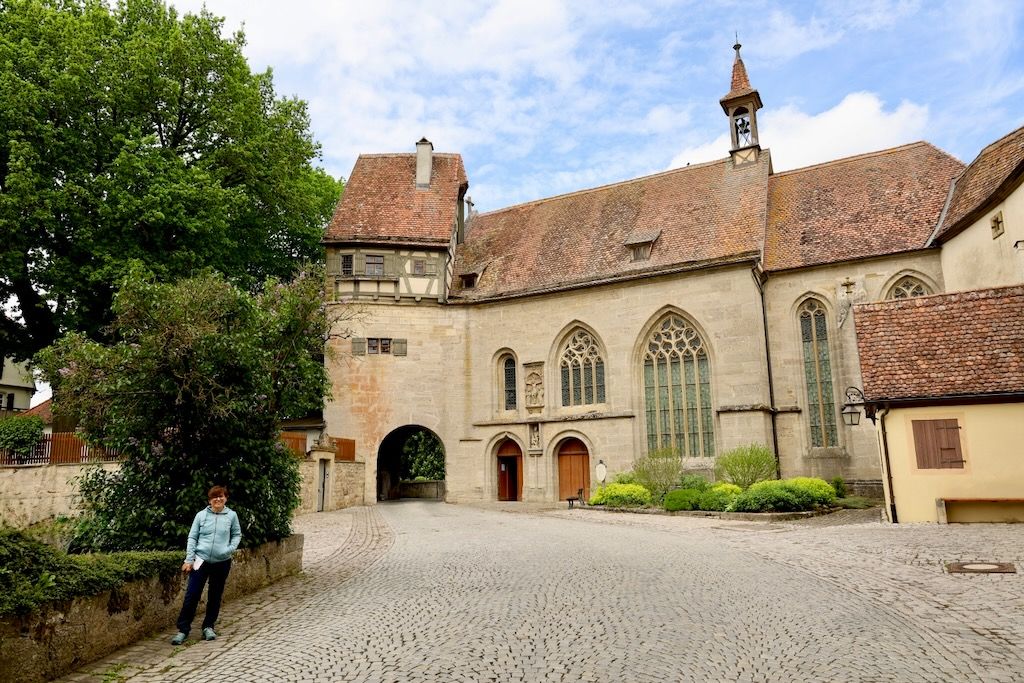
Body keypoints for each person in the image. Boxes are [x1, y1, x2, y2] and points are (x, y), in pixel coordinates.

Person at [170, 485, 242, 645]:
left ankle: (208, 626)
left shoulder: (232, 516)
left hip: (222, 562)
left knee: (215, 595)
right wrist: (189, 559)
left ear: (226, 498)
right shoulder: (201, 516)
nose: (218, 499)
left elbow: (237, 534)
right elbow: (192, 537)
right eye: (214, 497)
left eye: (221, 496)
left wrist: (229, 549)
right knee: (192, 595)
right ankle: (183, 629)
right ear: (209, 500)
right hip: (200, 561)